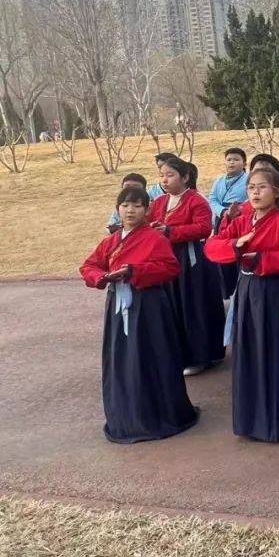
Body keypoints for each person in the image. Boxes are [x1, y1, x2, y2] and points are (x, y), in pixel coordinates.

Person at [81, 186, 197, 444]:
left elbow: (170, 268)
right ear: (118, 209)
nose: (130, 211)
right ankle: (127, 415)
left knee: (152, 356)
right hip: (118, 306)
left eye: (136, 205)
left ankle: (159, 413)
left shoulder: (155, 238)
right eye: (125, 205)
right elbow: (89, 266)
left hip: (149, 306)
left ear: (146, 209)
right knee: (123, 358)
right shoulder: (111, 241)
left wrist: (134, 271)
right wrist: (103, 277)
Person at [205, 167, 279, 442]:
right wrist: (235, 246)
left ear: (277, 192)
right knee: (249, 350)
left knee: (273, 350)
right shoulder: (242, 221)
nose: (255, 192)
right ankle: (251, 420)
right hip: (247, 291)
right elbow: (212, 247)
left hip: (273, 291)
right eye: (251, 187)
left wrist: (264, 259)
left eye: (262, 187)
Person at [148, 157, 226, 376]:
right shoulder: (159, 202)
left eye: (170, 175)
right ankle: (178, 355)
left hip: (190, 261)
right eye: (162, 175)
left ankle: (200, 356)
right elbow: (147, 221)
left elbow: (204, 228)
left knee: (193, 306)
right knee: (172, 307)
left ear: (185, 177)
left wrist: (170, 231)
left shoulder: (196, 200)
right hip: (166, 259)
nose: (164, 180)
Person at [206, 148, 249, 295]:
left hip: (239, 218)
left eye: (236, 159)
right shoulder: (219, 180)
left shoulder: (248, 180)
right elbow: (212, 199)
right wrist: (223, 212)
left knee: (237, 251)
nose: (232, 163)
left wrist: (236, 212)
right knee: (222, 250)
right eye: (229, 159)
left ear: (244, 163)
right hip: (222, 217)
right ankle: (226, 290)